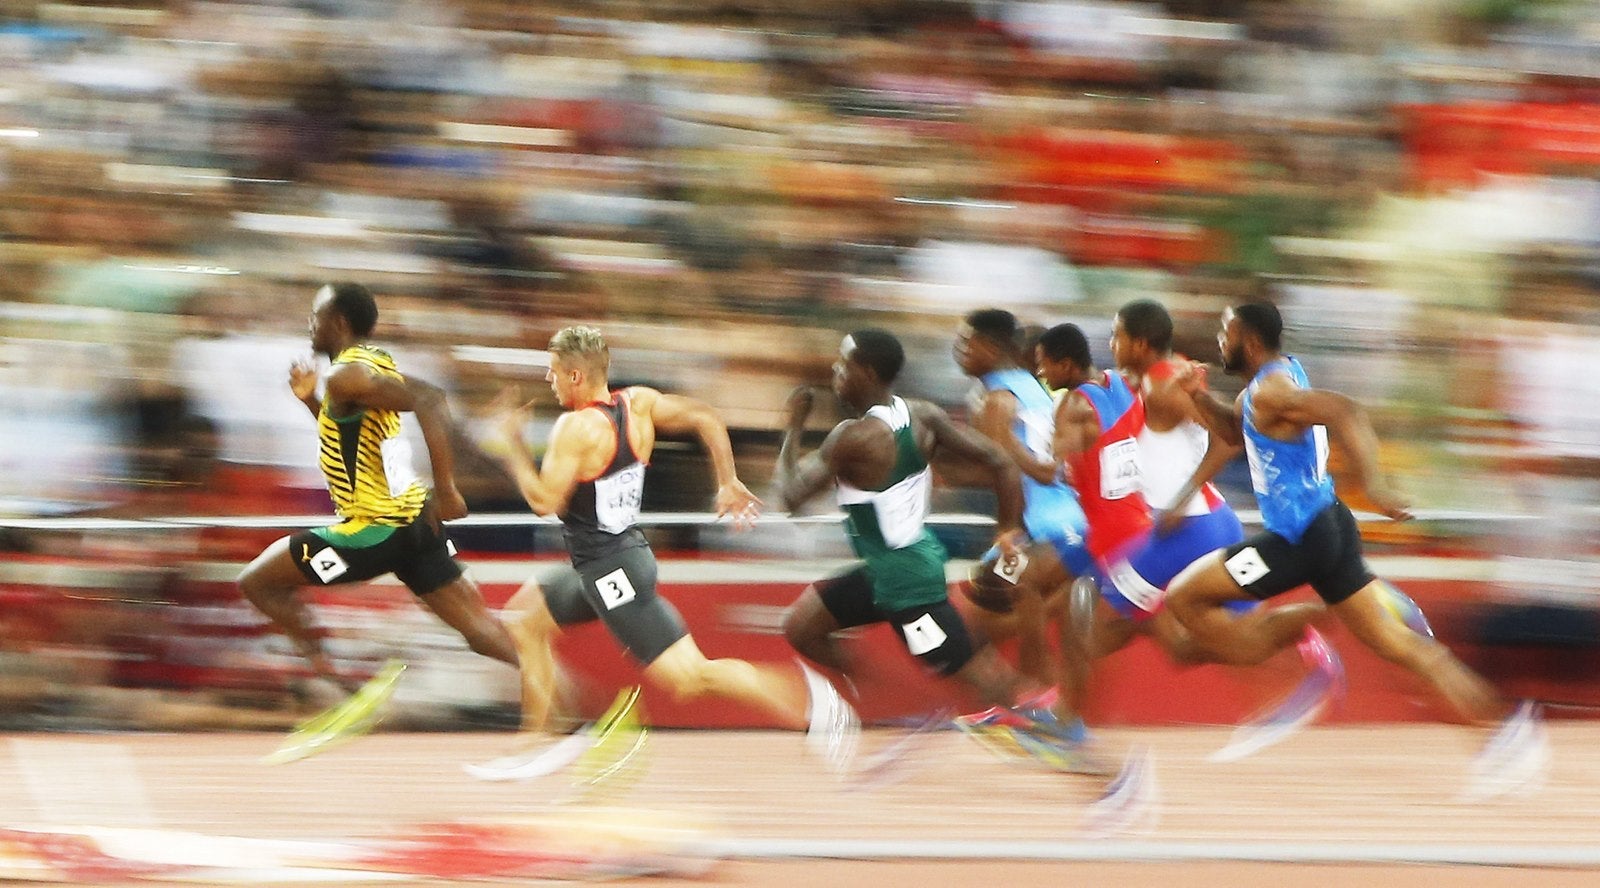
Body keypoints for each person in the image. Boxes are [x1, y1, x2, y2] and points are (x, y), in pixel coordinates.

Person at [1164, 302, 1546, 792]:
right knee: (1402, 645)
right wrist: (1196, 395)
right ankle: (1506, 734)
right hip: (1327, 529)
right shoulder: (1267, 386)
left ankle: (1303, 654)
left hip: (1300, 540)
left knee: (1185, 597)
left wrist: (1376, 486)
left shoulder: (1274, 391)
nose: (1218, 340)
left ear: (1250, 341)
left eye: (1225, 332)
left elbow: (1346, 411)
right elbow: (1233, 431)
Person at [485, 326, 849, 762]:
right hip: (617, 559)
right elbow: (705, 416)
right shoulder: (638, 403)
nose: (550, 381)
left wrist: (513, 447)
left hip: (610, 573)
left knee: (690, 677)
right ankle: (537, 734)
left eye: (554, 373)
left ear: (576, 376)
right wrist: (727, 480)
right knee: (525, 620)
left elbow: (545, 501)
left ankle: (815, 705)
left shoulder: (576, 428)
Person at [1038, 322, 1327, 726]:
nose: (1111, 344)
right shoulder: (1139, 383)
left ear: (1140, 343)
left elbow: (1230, 438)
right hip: (1187, 525)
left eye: (1118, 336)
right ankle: (1307, 636)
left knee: (1092, 617)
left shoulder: (1167, 383)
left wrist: (1183, 494)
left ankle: (1064, 718)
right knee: (1186, 646)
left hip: (1190, 526)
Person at [237, 282, 520, 693]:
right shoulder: (373, 364)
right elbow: (353, 439)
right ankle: (564, 693)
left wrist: (448, 489)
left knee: (257, 582)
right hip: (415, 523)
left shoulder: (346, 374)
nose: (310, 325)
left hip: (374, 532)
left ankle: (335, 680)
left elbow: (431, 400)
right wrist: (310, 401)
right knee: (479, 631)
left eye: (316, 317)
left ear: (338, 323)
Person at [776, 329, 1037, 713]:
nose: (835, 371)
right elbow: (1001, 463)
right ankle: (885, 703)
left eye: (842, 365)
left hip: (908, 589)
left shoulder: (852, 437)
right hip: (889, 570)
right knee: (802, 627)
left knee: (978, 675)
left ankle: (1055, 733)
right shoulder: (924, 416)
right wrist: (1007, 533)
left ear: (865, 372)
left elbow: (791, 498)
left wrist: (794, 426)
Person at [953, 308, 1092, 692]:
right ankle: (1030, 699)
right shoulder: (1032, 386)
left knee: (973, 617)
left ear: (992, 347)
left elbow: (1001, 473)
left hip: (1046, 529)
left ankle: (1037, 700)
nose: (958, 350)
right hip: (1069, 523)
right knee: (974, 618)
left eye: (967, 342)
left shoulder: (995, 400)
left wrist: (1006, 531)